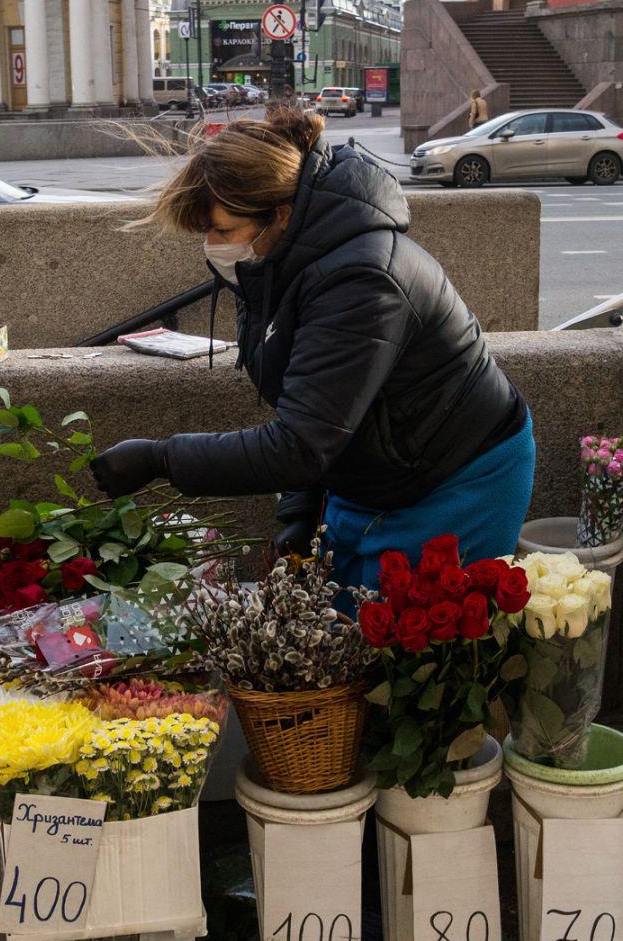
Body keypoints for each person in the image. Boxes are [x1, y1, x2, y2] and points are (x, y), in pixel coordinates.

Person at [90, 107, 533, 589]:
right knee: (345, 634)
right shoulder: (275, 263)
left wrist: (160, 459)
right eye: (207, 232)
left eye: (224, 230)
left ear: (279, 214)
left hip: (456, 479)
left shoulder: (362, 278)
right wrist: (299, 509)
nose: (213, 245)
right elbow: (310, 403)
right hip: (373, 475)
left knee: (408, 650)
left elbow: (301, 442)